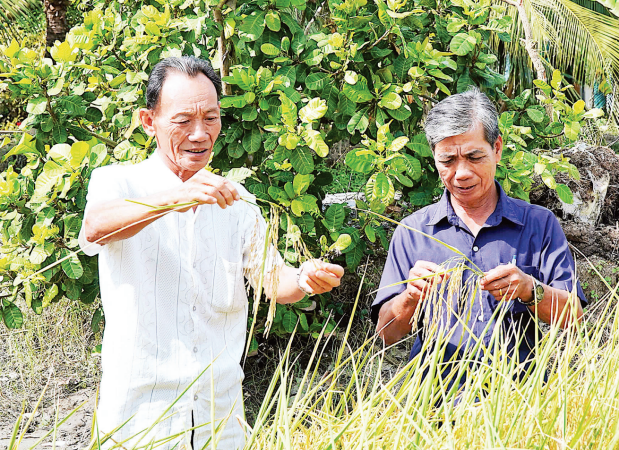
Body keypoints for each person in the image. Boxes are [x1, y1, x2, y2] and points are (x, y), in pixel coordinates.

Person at [79, 56, 344, 449]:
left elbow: (274, 281)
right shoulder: (118, 181)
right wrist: (175, 198)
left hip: (219, 417)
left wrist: (304, 278)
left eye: (211, 118)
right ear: (149, 121)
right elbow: (96, 227)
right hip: (139, 418)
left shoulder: (239, 203)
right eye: (183, 121)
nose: (200, 134)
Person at [372, 88, 587, 374]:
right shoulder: (412, 232)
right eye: (447, 160)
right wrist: (410, 297)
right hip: (433, 403)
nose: (461, 173)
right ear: (434, 157)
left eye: (474, 157)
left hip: (517, 399)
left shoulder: (539, 224)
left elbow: (574, 316)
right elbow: (385, 334)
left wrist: (528, 290)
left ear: (497, 149)